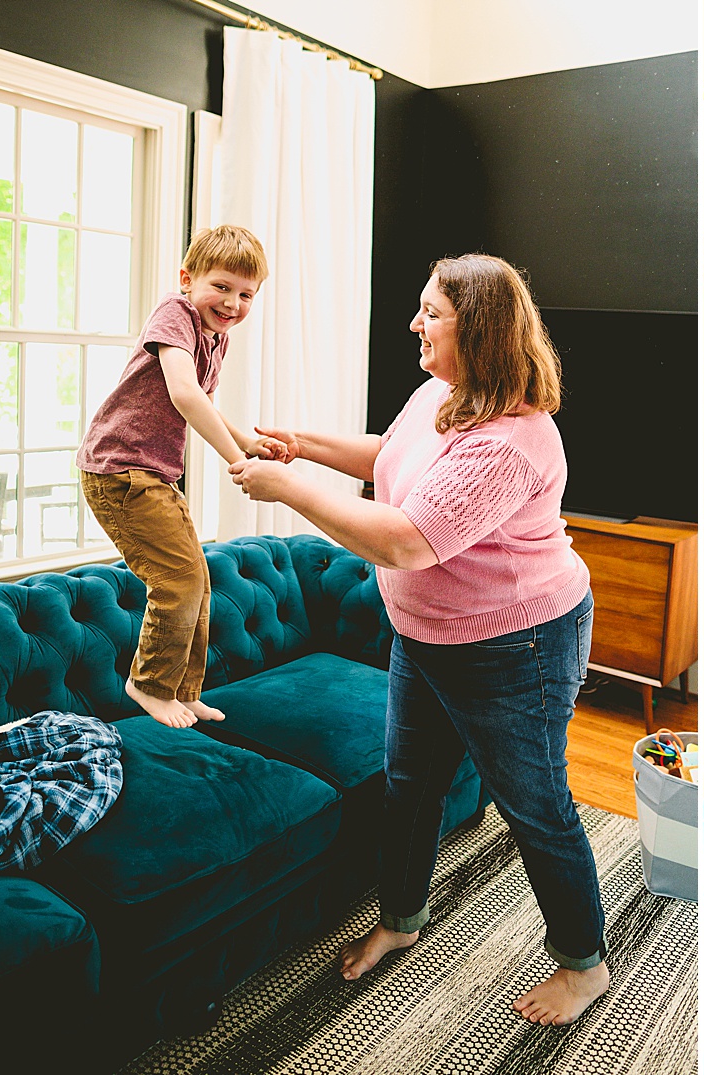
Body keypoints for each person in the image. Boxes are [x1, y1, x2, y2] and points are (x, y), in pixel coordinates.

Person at [227, 253, 608, 1026]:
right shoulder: (443, 391)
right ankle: (402, 919)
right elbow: (390, 458)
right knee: (410, 781)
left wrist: (289, 489)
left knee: (534, 804)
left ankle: (583, 963)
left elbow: (406, 540)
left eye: (432, 312)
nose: (415, 322)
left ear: (483, 331)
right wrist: (302, 445)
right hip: (426, 633)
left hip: (517, 643)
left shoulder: (511, 439)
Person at [77, 225, 275, 729]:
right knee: (177, 582)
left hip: (153, 473)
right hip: (120, 469)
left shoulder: (215, 336)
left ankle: (184, 691)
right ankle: (148, 684)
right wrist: (238, 460)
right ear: (187, 279)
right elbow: (184, 394)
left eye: (246, 294)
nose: (232, 303)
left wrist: (249, 441)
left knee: (198, 581)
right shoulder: (176, 314)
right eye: (222, 287)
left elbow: (203, 399)